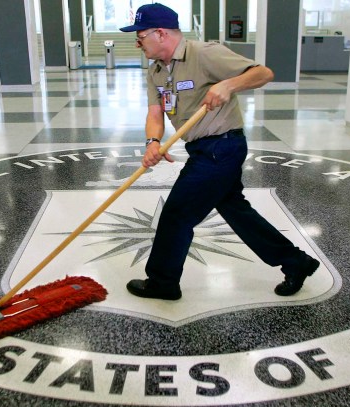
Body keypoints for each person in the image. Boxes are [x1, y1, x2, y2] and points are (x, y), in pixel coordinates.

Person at [119, 3, 319, 301]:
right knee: (236, 211)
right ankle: (295, 262)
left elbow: (263, 73)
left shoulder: (204, 53)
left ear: (160, 33)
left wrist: (229, 84)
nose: (138, 42)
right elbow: (155, 114)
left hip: (221, 147)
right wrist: (152, 142)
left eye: (141, 36)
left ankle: (163, 282)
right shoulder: (156, 71)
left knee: (177, 214)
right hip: (201, 148)